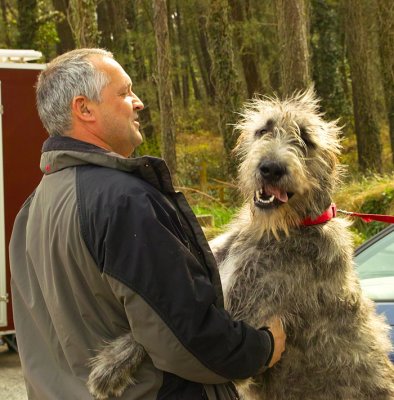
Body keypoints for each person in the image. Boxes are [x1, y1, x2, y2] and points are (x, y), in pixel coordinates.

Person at [10, 48, 286, 400]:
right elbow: (183, 336)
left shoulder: (31, 210)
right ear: (84, 109)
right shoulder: (122, 201)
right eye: (124, 92)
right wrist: (261, 348)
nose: (138, 102)